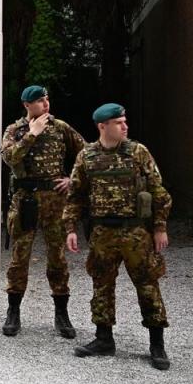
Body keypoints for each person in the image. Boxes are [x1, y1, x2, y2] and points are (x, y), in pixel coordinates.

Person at [63, 103, 173, 370]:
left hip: (136, 231)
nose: (125, 126)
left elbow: (159, 192)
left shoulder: (138, 152)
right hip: (102, 232)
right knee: (101, 284)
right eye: (118, 122)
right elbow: (75, 194)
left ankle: (157, 344)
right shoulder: (86, 156)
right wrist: (70, 229)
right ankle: (103, 338)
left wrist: (159, 228)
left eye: (125, 121)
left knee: (147, 284)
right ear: (103, 127)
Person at [0, 85, 85, 338]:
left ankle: (62, 314)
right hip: (25, 200)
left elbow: (87, 153)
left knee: (57, 258)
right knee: (19, 258)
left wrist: (72, 180)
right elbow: (9, 157)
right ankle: (13, 312)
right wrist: (32, 134)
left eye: (47, 98)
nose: (46, 104)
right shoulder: (15, 130)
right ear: (27, 105)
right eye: (39, 100)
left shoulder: (60, 127)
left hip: (54, 201)